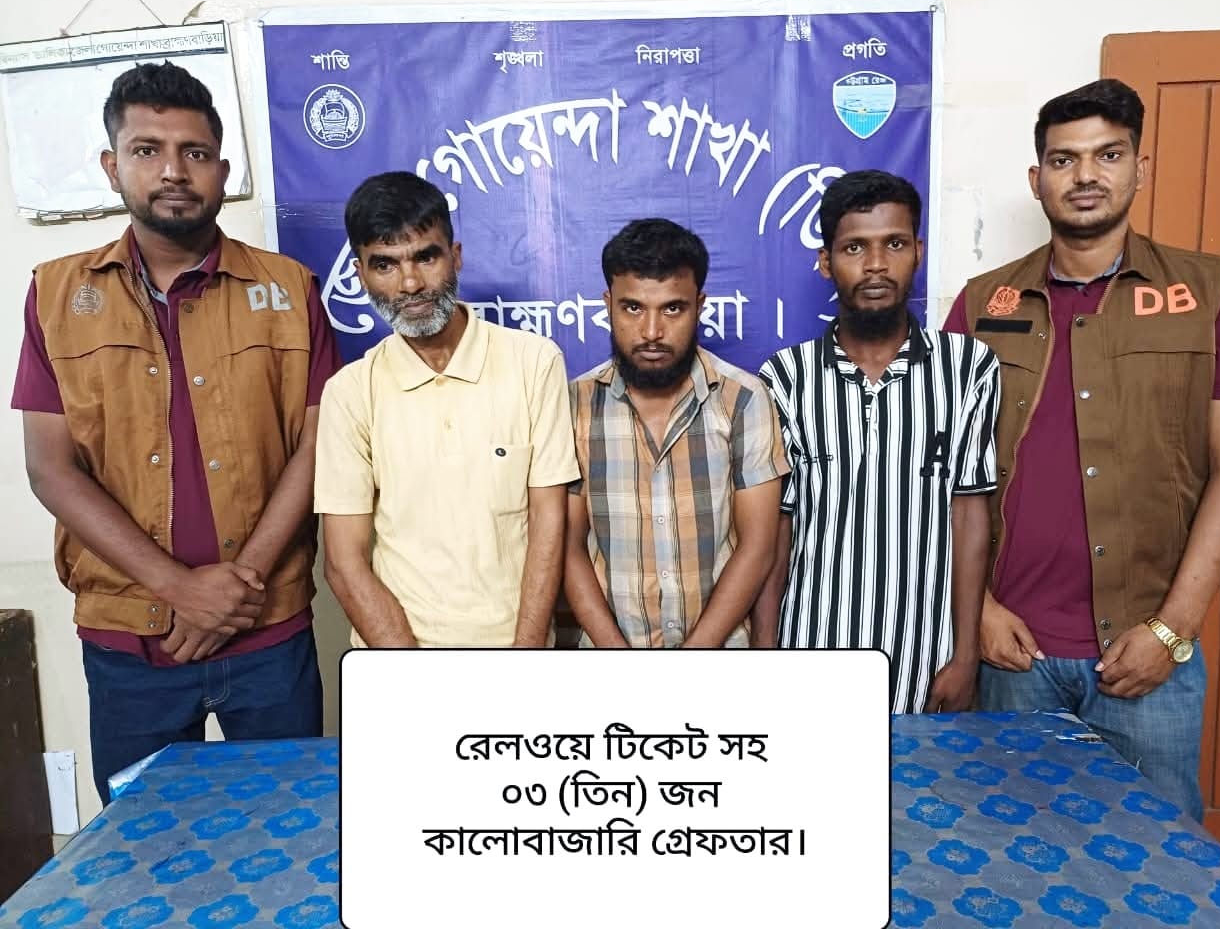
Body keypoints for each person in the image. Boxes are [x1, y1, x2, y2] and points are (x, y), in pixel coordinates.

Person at [943, 79, 1220, 820]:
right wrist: (980, 610)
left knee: (1160, 863)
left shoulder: (1211, 292)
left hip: (1147, 653)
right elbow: (941, 471)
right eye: (1064, 160)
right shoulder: (983, 303)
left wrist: (1172, 628)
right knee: (1015, 856)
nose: (1086, 176)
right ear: (1037, 179)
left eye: (1108, 154)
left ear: (1140, 167)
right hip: (1013, 654)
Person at [13, 62, 339, 803]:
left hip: (268, 631)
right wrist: (179, 589)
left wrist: (238, 588)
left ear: (222, 170)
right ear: (112, 166)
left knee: (289, 826)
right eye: (147, 150)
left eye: (194, 152)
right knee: (142, 843)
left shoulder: (288, 290)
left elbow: (318, 447)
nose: (172, 171)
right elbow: (50, 468)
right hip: (130, 640)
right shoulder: (57, 295)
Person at [757, 171, 999, 713]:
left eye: (894, 244)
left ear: (918, 252)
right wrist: (766, 653)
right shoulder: (785, 378)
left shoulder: (967, 367)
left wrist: (965, 656)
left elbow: (969, 516)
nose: (875, 265)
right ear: (826, 262)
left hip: (926, 658)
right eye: (854, 248)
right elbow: (777, 531)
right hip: (809, 654)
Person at [316, 171, 578, 647]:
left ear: (455, 256)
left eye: (426, 257)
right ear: (360, 274)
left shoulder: (534, 363)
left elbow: (549, 525)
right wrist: (418, 675)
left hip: (517, 653)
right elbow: (344, 561)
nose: (410, 283)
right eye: (385, 265)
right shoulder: (349, 392)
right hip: (399, 658)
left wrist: (526, 658)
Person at [563, 219, 788, 648]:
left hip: (719, 661)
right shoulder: (575, 404)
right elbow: (568, 547)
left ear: (699, 305)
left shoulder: (742, 399)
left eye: (672, 309)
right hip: (608, 663)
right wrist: (617, 658)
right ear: (607, 304)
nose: (651, 332)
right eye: (633, 308)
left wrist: (689, 663)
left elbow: (758, 546)